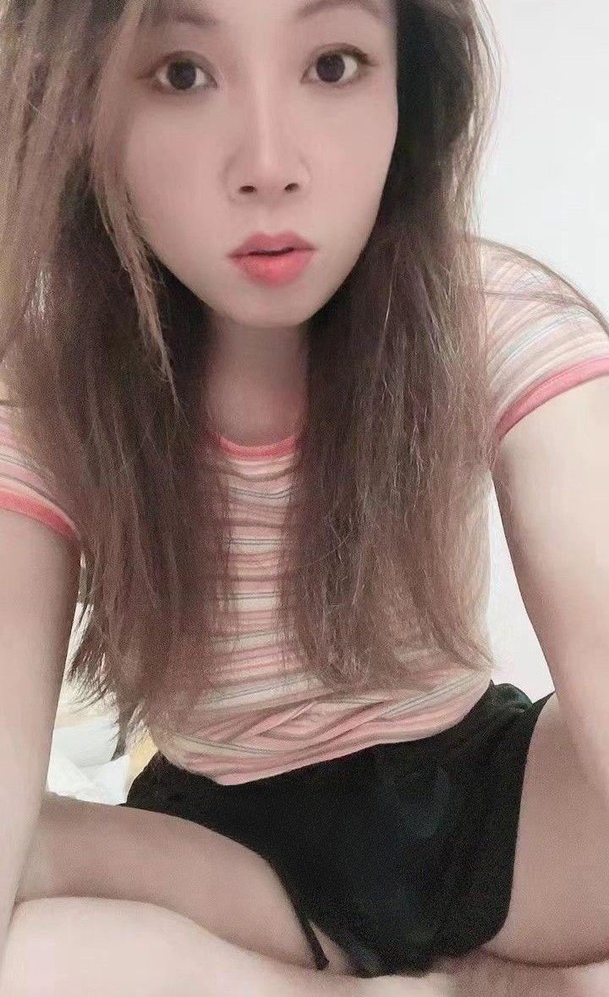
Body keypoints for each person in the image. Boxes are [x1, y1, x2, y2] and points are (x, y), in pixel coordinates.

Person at [2, 0, 609, 986]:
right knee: (35, 952)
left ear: (409, 85)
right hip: (231, 857)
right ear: (81, 108)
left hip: (493, 814)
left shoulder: (494, 322)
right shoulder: (47, 400)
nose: (269, 164)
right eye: (183, 74)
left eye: (332, 64)